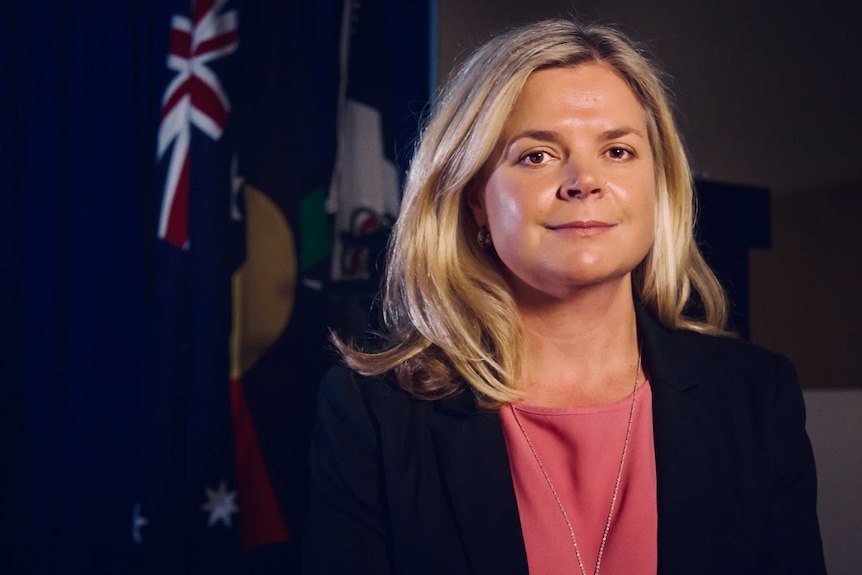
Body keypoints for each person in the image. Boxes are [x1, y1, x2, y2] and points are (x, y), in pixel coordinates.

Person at [302, 18, 826, 575]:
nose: (584, 181)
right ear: (476, 198)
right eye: (537, 156)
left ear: (659, 184)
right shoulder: (373, 415)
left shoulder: (755, 396)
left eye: (619, 151)